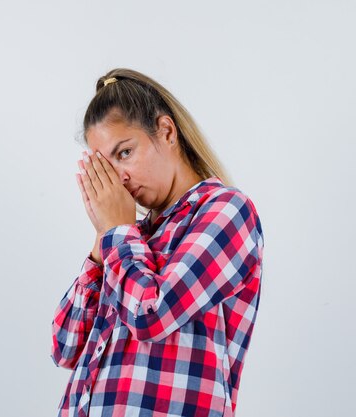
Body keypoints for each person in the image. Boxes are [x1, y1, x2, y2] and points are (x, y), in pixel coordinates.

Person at [50, 68, 264, 417]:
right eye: (105, 165)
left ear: (166, 132)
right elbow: (65, 348)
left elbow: (152, 316)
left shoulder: (227, 210)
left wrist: (116, 231)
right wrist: (102, 240)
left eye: (125, 153)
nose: (119, 178)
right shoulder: (130, 239)